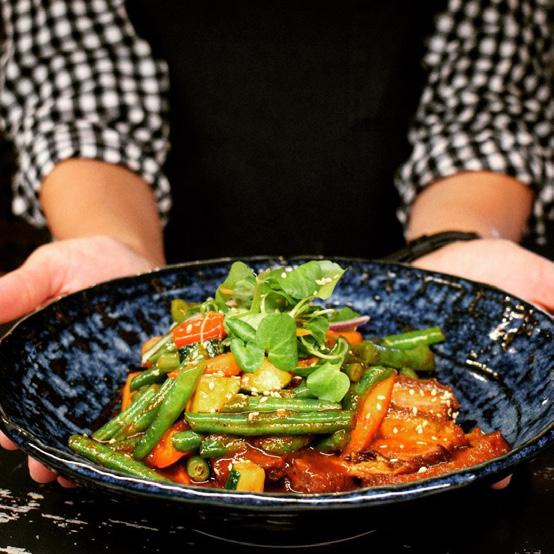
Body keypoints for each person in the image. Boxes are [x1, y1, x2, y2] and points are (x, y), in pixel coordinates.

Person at [0, 0, 552, 489]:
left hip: (386, 252)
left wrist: (457, 248)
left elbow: (484, 108)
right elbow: (78, 90)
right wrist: (112, 247)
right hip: (178, 249)